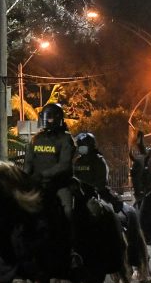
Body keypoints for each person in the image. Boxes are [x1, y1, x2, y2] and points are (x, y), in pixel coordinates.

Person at [21, 102, 81, 269]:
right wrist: (23, 178)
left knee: (68, 212)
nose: (49, 121)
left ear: (59, 119)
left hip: (59, 186)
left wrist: (44, 175)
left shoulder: (66, 139)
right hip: (38, 185)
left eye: (52, 117)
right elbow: (28, 164)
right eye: (47, 117)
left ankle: (73, 251)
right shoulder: (35, 139)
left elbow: (64, 166)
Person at [73, 131, 122, 211]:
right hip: (81, 191)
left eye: (83, 146)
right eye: (80, 146)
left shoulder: (98, 160)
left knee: (113, 205)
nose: (81, 148)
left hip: (98, 192)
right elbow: (74, 176)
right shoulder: (78, 161)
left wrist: (92, 188)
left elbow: (102, 181)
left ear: (90, 146)